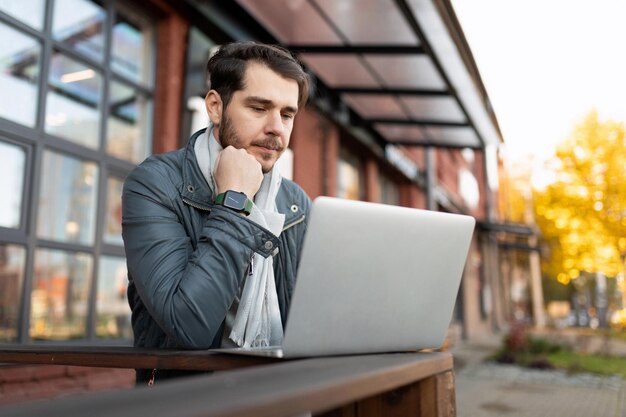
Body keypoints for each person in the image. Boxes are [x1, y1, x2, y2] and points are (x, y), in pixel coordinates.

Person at [122, 42, 311, 384]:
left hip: (279, 394)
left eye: (287, 114)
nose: (277, 128)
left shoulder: (294, 202)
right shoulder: (155, 184)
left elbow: (313, 319)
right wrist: (235, 199)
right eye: (258, 108)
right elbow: (188, 325)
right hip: (185, 402)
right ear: (215, 107)